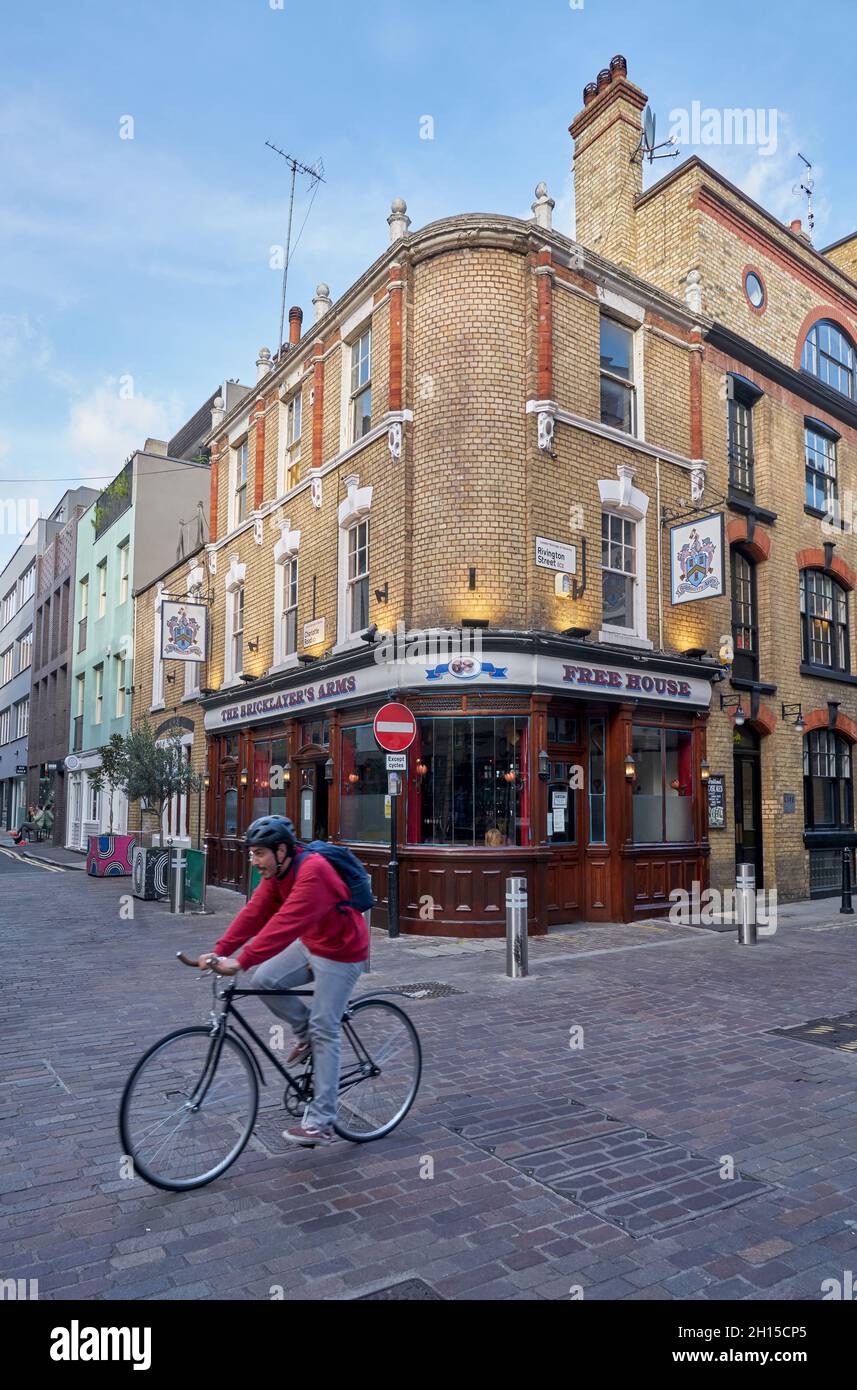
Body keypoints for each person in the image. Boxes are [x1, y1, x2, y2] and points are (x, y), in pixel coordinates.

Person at [199, 815, 369, 1147]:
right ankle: (306, 1036)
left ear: (280, 850)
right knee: (265, 979)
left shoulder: (313, 872)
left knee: (325, 1027)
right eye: (251, 854)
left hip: (342, 951)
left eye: (258, 853)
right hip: (312, 943)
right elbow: (255, 913)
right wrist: (220, 951)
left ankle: (321, 1122)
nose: (253, 861)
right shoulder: (279, 873)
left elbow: (284, 925)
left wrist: (242, 959)